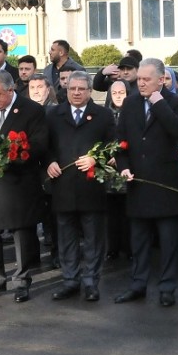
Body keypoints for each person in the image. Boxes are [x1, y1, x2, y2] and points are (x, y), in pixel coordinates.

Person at [114, 58, 178, 307]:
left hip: (166, 186)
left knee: (168, 242)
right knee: (139, 241)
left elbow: (176, 129)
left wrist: (158, 103)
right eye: (139, 79)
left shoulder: (175, 102)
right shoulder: (131, 102)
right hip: (138, 184)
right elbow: (120, 141)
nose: (141, 83)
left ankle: (167, 287)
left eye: (147, 79)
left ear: (161, 79)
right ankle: (138, 284)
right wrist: (123, 167)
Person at [0, 70, 48, 302]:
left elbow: (38, 145)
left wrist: (8, 159)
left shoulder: (32, 110)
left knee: (21, 233)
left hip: (19, 183)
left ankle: (22, 280)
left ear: (10, 89)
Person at [44, 71, 116, 301]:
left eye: (81, 89)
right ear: (66, 90)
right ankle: (70, 280)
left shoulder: (103, 115)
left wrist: (97, 159)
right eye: (72, 88)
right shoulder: (54, 114)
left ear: (89, 91)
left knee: (94, 238)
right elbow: (44, 145)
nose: (76, 93)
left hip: (91, 186)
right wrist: (49, 162)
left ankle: (91, 282)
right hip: (62, 186)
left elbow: (113, 146)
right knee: (66, 238)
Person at [105, 79, 133, 261]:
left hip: (127, 167)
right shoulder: (104, 114)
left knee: (127, 211)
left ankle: (128, 248)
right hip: (107, 169)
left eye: (121, 93)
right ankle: (111, 247)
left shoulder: (132, 113)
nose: (117, 96)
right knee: (110, 212)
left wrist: (121, 156)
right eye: (114, 93)